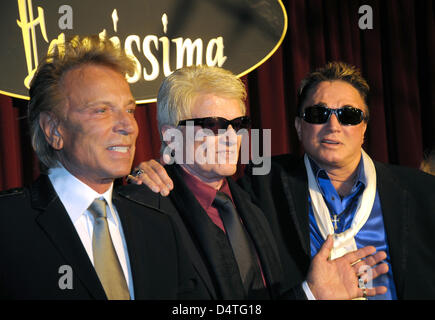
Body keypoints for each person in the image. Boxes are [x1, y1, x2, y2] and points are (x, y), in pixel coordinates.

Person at [132, 62, 435, 299]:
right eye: (318, 113)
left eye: (349, 115)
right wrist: (146, 173)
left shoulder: (423, 191)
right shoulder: (264, 183)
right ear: (298, 126)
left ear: (365, 126)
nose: (333, 124)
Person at [0, 35, 209, 300]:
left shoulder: (159, 228)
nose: (128, 126)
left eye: (130, 110)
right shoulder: (7, 226)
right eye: (101, 110)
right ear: (53, 129)